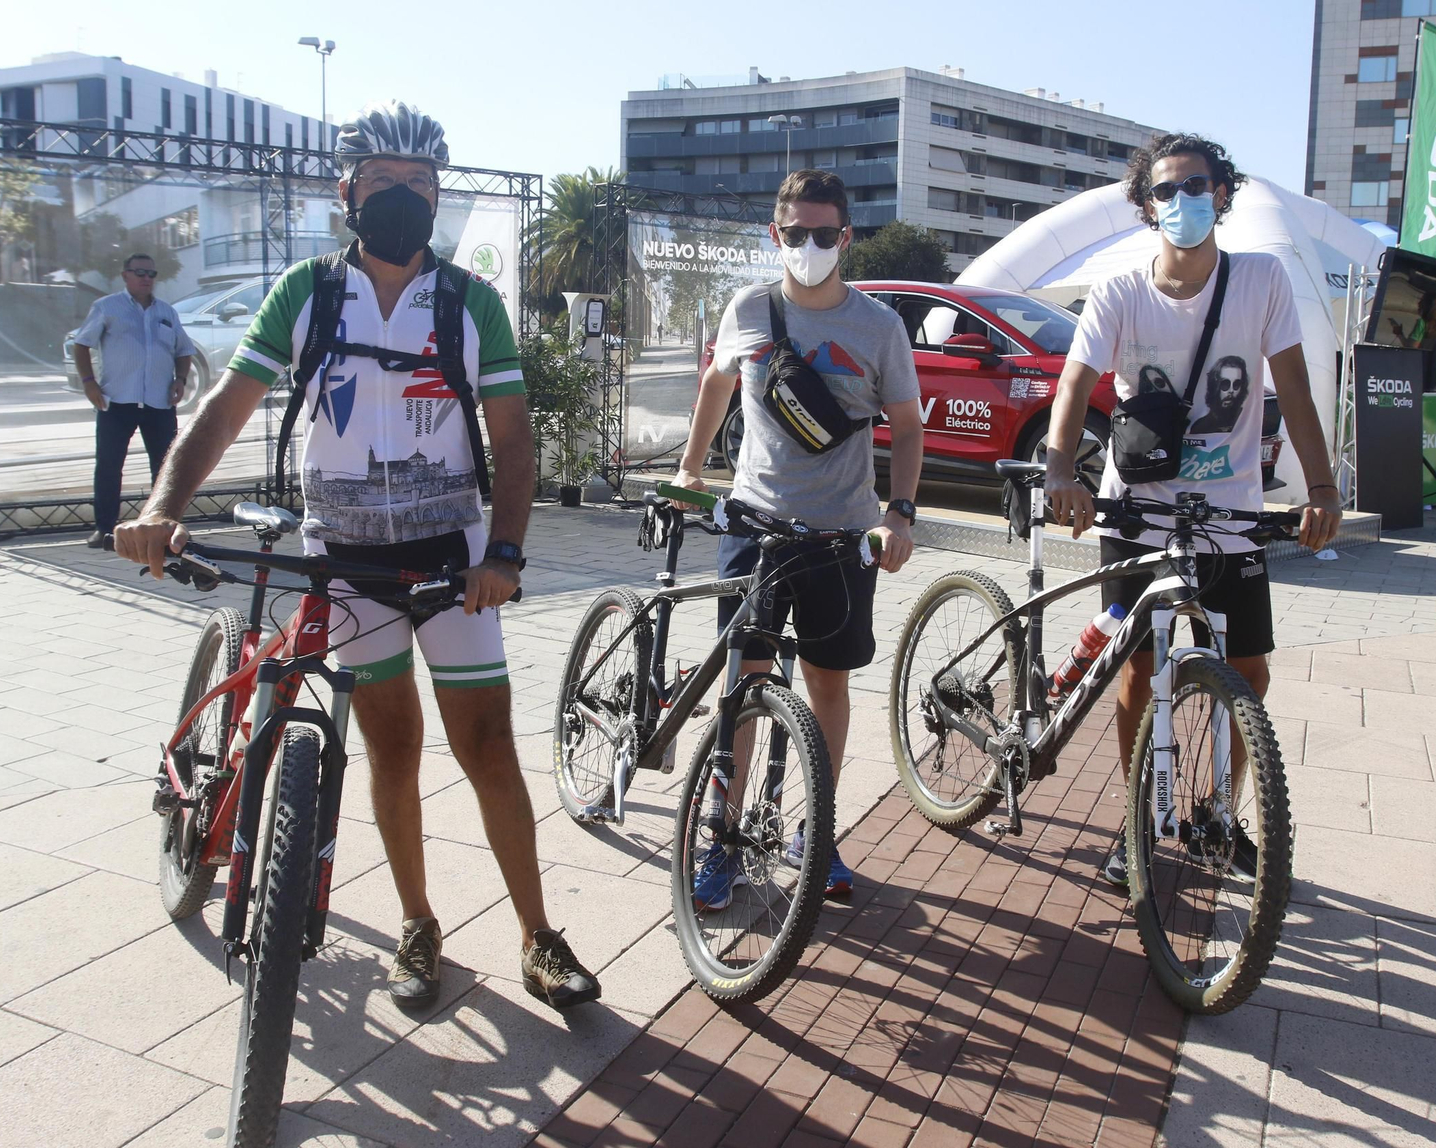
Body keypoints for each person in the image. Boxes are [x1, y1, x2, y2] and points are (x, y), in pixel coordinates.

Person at [115, 100, 600, 1012]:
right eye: (385, 183)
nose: (405, 200)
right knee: (393, 747)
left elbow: (514, 439)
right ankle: (419, 925)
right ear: (348, 193)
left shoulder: (468, 303)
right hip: (346, 559)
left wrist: (504, 549)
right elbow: (224, 408)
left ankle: (540, 935)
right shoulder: (309, 292)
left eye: (422, 185)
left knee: (488, 745)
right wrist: (161, 507)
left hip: (450, 561)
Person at [1041, 132, 1342, 886]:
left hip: (1229, 510)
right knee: (1140, 671)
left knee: (1248, 671)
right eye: (1166, 191)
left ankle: (1214, 811)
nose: (1183, 202)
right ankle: (1140, 821)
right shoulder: (1120, 291)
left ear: (1224, 195)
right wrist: (1060, 471)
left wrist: (1325, 488)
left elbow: (1295, 393)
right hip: (1137, 509)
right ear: (1147, 206)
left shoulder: (1262, 281)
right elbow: (1075, 388)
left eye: (1196, 186)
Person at [672, 168, 924, 906]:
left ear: (846, 238)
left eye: (823, 235)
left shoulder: (878, 326)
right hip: (755, 525)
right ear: (773, 235)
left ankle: (816, 831)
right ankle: (720, 837)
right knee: (745, 681)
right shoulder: (749, 307)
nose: (808, 246)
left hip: (842, 537)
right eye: (794, 234)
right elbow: (718, 384)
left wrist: (899, 514)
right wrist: (691, 469)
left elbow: (907, 428)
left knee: (827, 685)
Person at [72, 254, 194, 548]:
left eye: (151, 272)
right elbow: (81, 344)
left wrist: (180, 379)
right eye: (139, 272)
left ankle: (164, 525)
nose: (146, 277)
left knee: (165, 468)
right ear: (125, 275)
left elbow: (184, 349)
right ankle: (104, 528)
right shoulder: (106, 307)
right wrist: (89, 382)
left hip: (159, 403)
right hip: (117, 403)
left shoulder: (167, 312)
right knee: (109, 466)